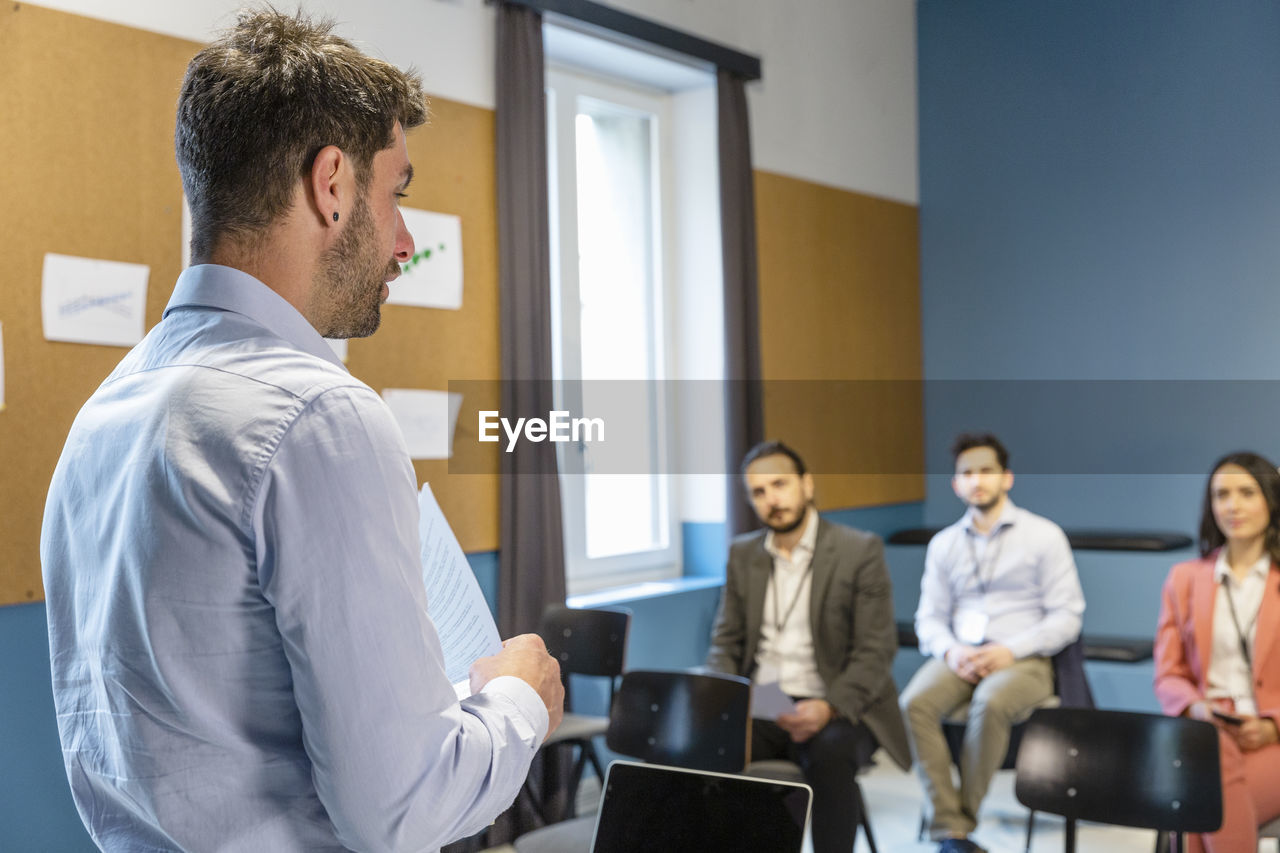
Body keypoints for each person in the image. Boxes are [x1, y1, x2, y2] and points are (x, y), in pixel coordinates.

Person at [39, 10, 563, 852]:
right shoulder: (320, 416)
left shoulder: (102, 414)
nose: (402, 241)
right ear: (332, 183)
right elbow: (400, 809)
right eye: (396, 193)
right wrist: (519, 695)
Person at [706, 441, 910, 853]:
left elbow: (876, 648)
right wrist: (727, 697)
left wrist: (829, 706)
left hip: (839, 700)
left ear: (807, 485)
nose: (771, 500)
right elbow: (725, 642)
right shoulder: (743, 554)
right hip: (763, 700)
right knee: (702, 742)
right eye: (759, 493)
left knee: (830, 756)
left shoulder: (858, 550)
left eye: (780, 485)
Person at [900, 432, 1084, 853]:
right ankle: (953, 828)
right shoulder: (945, 543)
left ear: (1007, 478)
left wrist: (1010, 650)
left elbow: (1067, 616)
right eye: (967, 473)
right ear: (955, 484)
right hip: (961, 654)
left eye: (986, 470)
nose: (976, 480)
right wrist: (952, 651)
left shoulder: (1043, 535)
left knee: (991, 701)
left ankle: (957, 822)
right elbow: (928, 618)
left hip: (1025, 658)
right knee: (914, 704)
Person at [1154, 451, 1280, 853]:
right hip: (1204, 732)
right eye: (1221, 494)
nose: (1232, 505)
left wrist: (1273, 725)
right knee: (1209, 762)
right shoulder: (1185, 579)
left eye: (1246, 492)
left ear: (1271, 501)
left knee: (1194, 815)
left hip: (1271, 739)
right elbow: (1168, 674)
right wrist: (1196, 707)